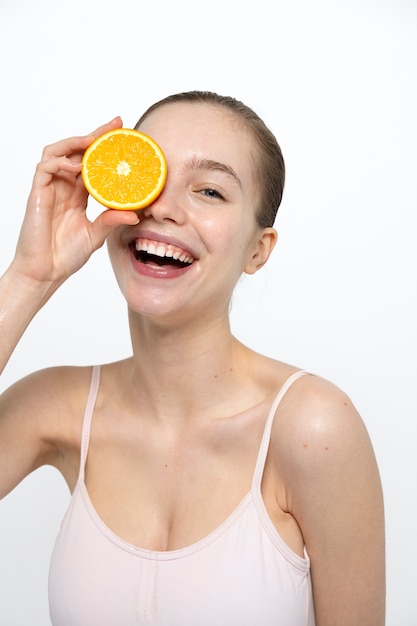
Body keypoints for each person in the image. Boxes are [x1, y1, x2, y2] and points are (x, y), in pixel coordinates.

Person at [0, 91, 385, 626]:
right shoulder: (56, 408)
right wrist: (29, 276)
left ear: (258, 249)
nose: (161, 207)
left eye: (209, 190)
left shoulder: (312, 427)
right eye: (147, 173)